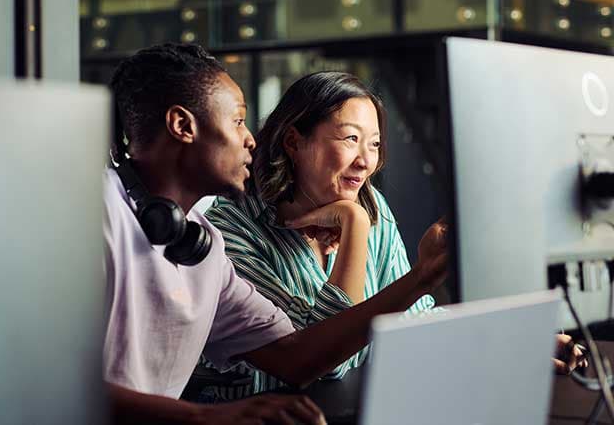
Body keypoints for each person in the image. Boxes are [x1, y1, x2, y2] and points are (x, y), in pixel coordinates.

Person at [103, 43, 448, 424]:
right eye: (237, 121)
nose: (250, 139)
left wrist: (424, 275)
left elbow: (296, 355)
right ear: (183, 126)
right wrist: (206, 418)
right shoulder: (96, 215)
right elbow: (37, 376)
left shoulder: (202, 246)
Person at [198, 71, 587, 400]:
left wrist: (512, 345)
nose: (366, 161)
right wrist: (354, 228)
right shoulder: (231, 230)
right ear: (294, 142)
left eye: (375, 144)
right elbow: (327, 361)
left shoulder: (372, 206)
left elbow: (410, 325)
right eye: (350, 139)